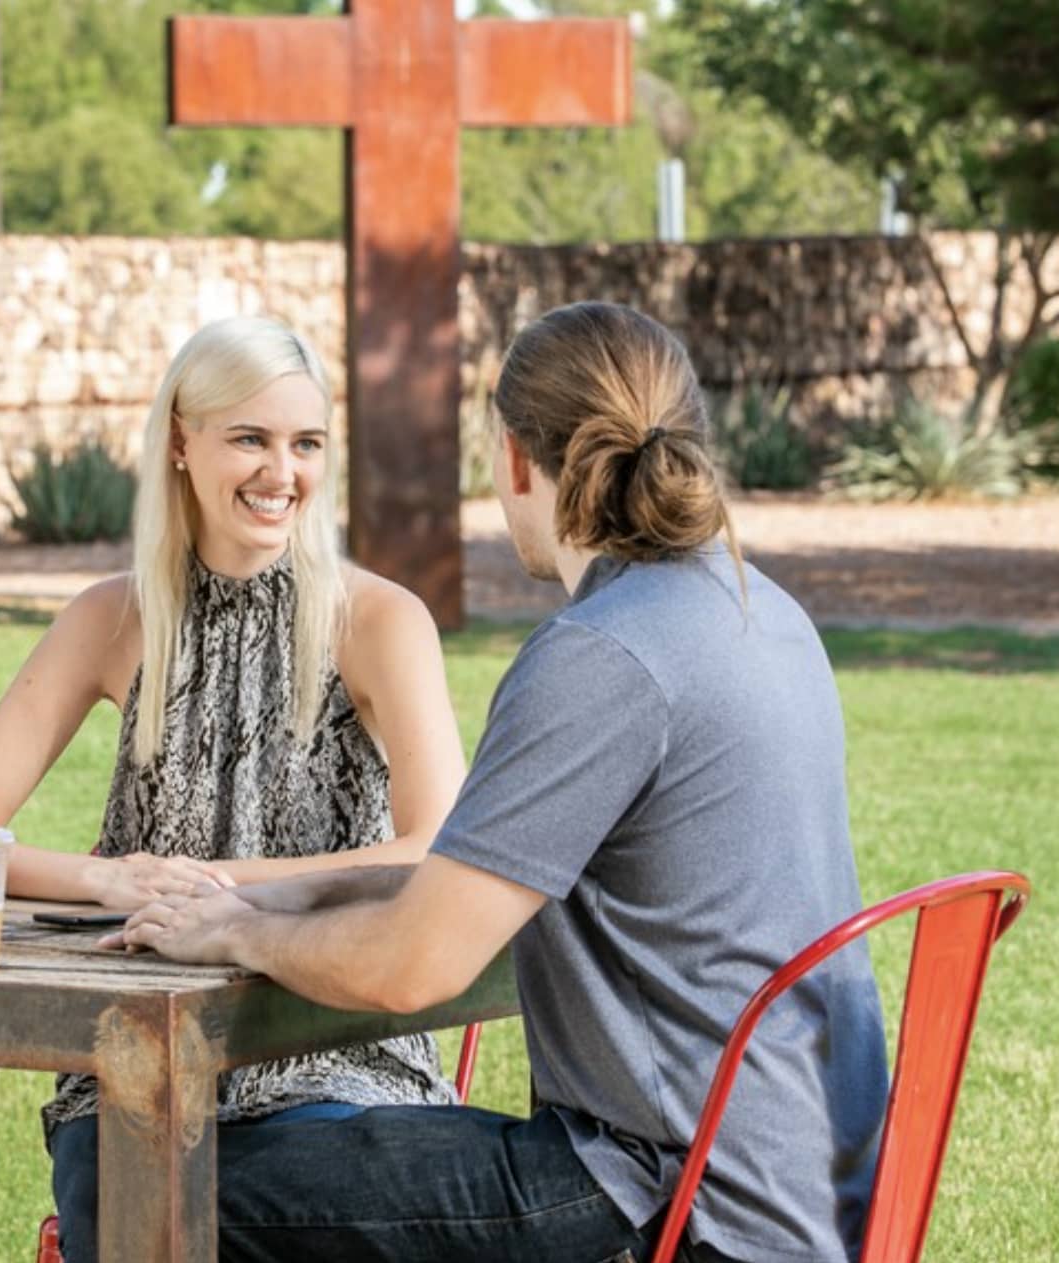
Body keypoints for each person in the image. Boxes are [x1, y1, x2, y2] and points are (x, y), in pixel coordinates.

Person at [108, 302, 892, 1263]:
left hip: (671, 1202)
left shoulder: (599, 657)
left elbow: (416, 964)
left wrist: (239, 928)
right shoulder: (760, 612)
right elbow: (463, 879)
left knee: (137, 1180)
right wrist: (291, 886)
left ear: (516, 459)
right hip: (806, 1192)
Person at [0, 315, 472, 1252]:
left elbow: (436, 847)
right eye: (249, 438)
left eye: (305, 444)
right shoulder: (111, 618)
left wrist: (217, 889)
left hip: (338, 1055)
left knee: (219, 1213)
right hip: (140, 1069)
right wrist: (111, 877)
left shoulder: (377, 619)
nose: (280, 472)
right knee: (132, 1187)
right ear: (180, 439)